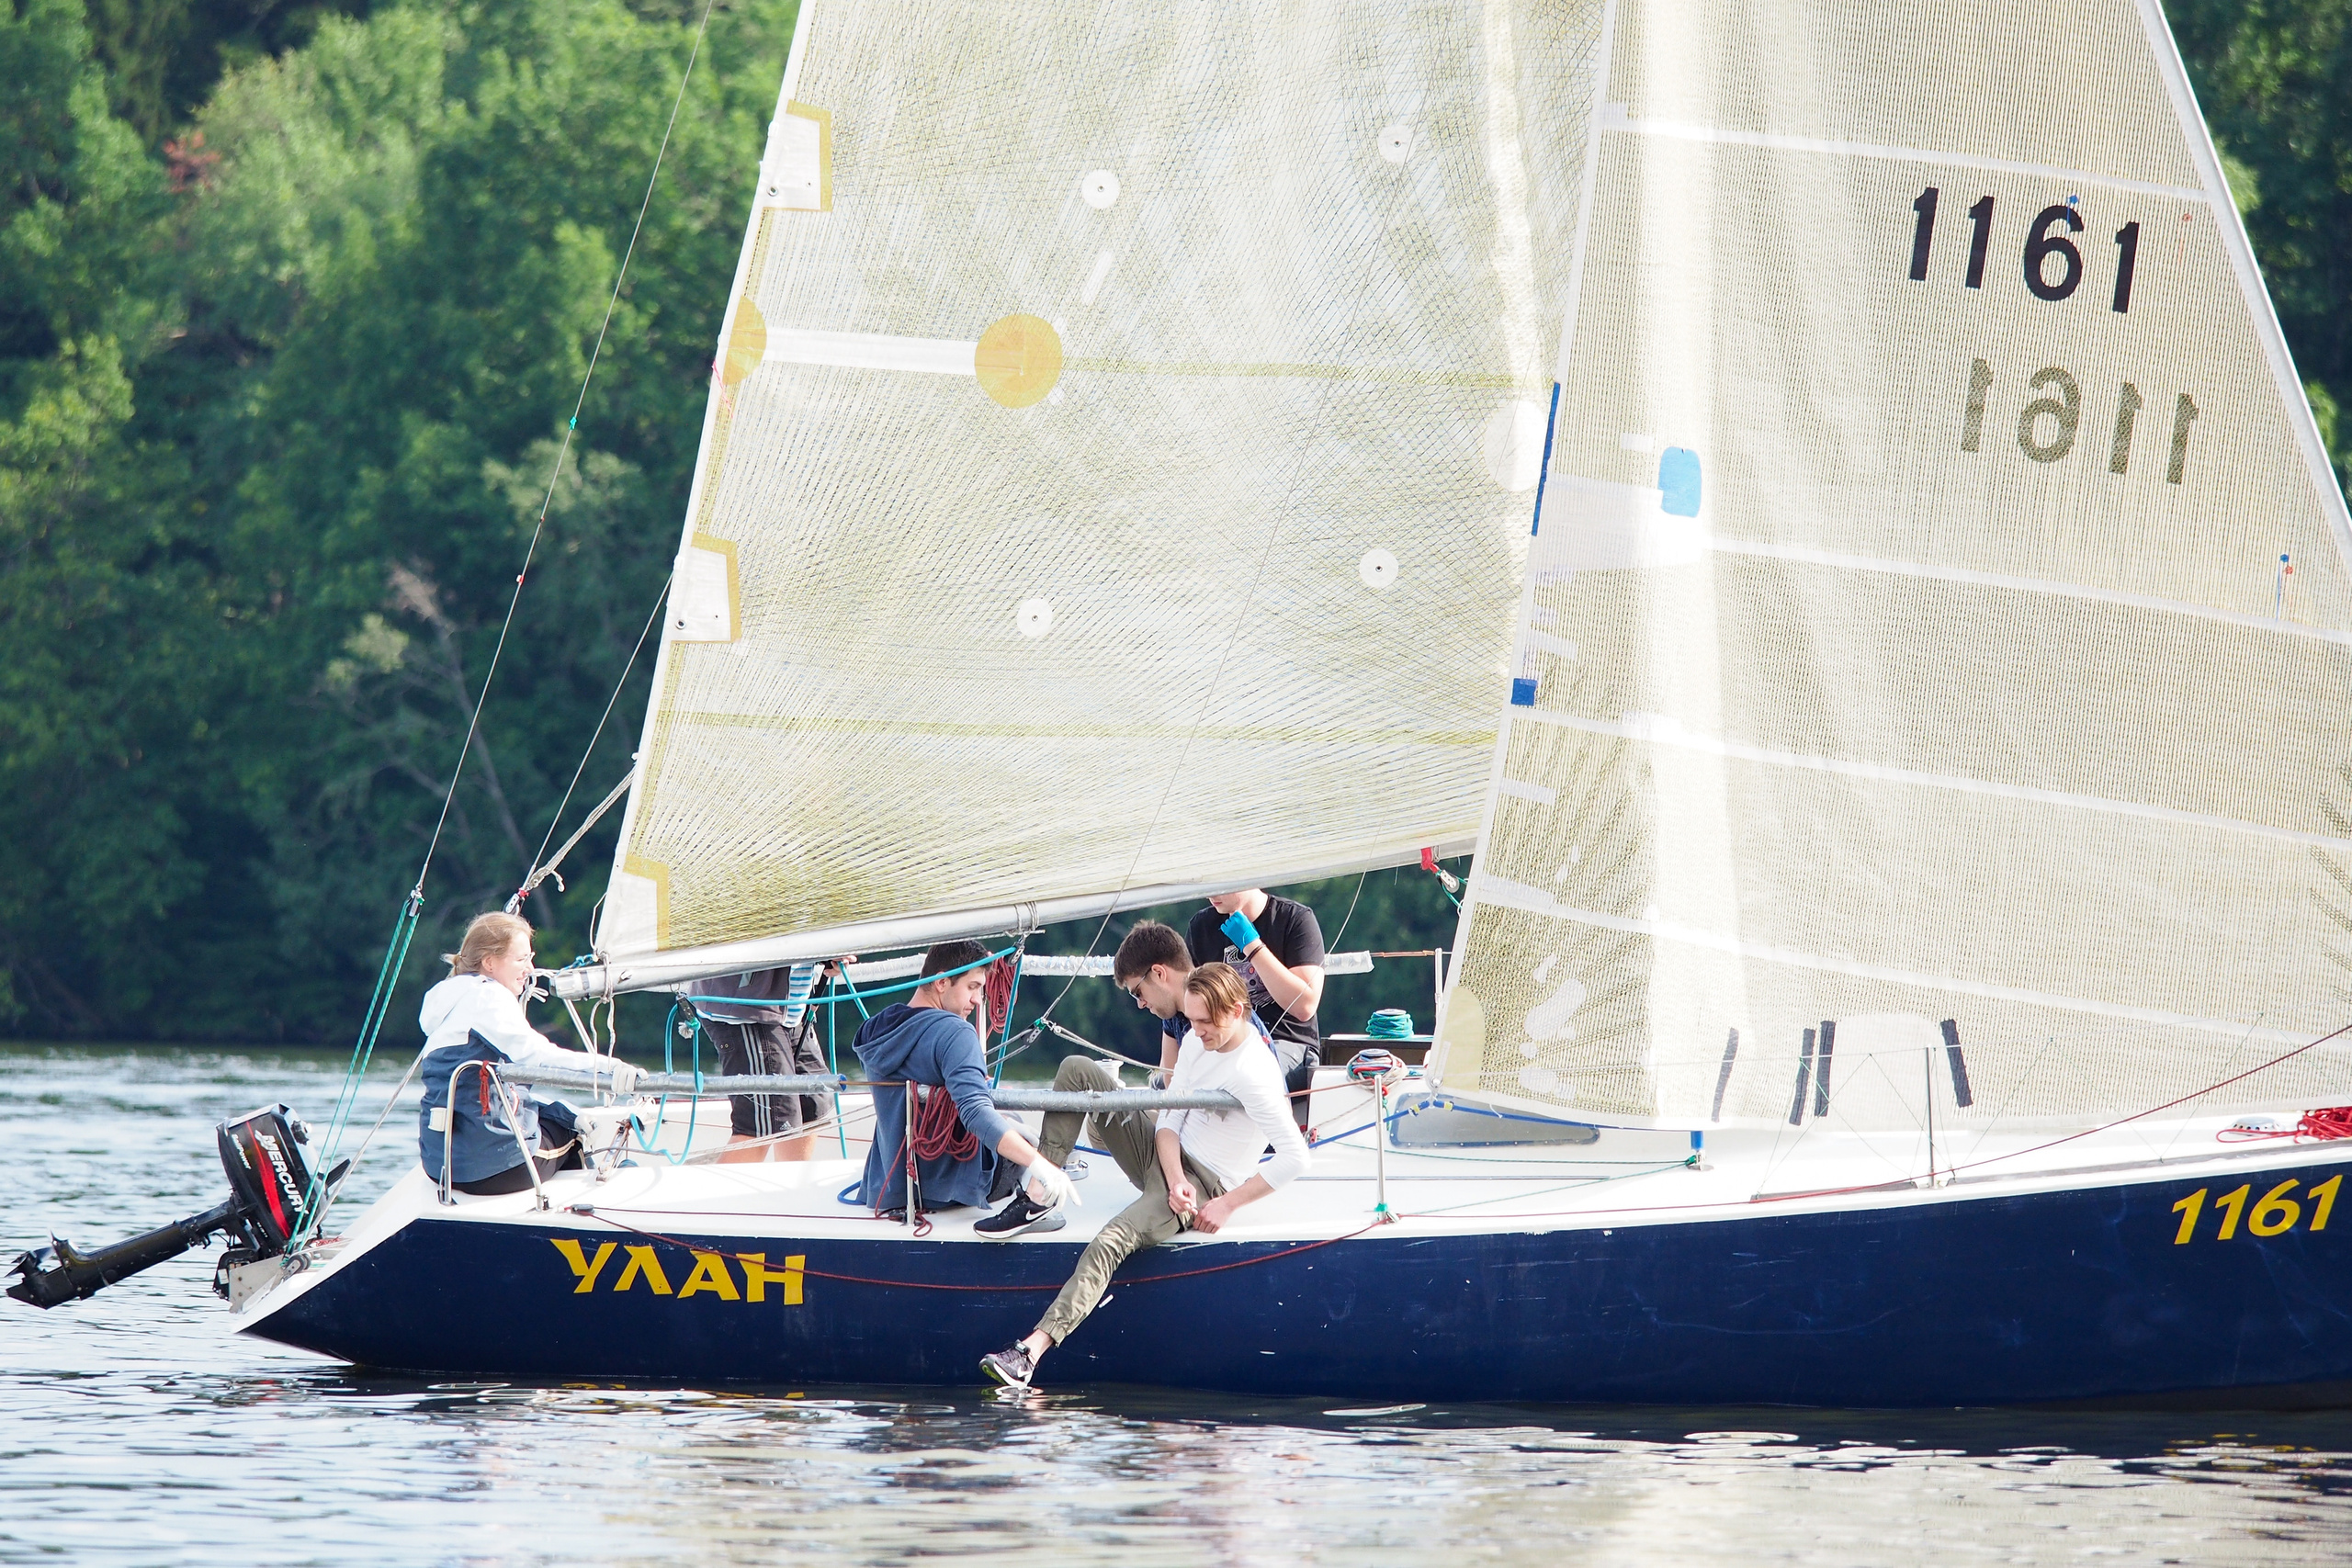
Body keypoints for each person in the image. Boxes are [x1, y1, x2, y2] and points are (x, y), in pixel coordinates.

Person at [978, 962, 1311, 1388]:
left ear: (1238, 1010)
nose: (1197, 1031)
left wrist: (1225, 1204)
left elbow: (1295, 1158)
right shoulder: (1195, 1041)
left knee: (1109, 1241)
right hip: (1167, 1161)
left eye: (1206, 1022)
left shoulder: (1256, 1074)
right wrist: (1173, 1177)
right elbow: (1170, 1119)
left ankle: (1029, 1353)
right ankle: (1041, 1193)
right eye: (1191, 1020)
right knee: (1077, 1069)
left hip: (1206, 1185)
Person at [416, 911, 640, 1195]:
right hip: (496, 1168)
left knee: (556, 1117)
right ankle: (572, 1216)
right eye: (522, 960)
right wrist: (611, 1068)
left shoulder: (447, 999)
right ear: (489, 962)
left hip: (441, 1167)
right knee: (573, 1135)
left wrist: (559, 1110)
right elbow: (538, 1057)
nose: (531, 969)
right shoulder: (489, 997)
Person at [851, 940, 1076, 1222]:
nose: (978, 999)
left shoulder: (875, 1030)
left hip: (889, 1187)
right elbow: (976, 1113)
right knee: (1023, 1129)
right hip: (951, 1190)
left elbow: (928, 1061)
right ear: (942, 982)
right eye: (972, 987)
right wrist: (1039, 1164)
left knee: (1010, 1124)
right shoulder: (955, 1034)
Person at [1189, 889, 1326, 1127]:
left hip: (1289, 1043)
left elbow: (1305, 1005)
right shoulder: (1202, 926)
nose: (1211, 892)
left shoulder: (1295, 919)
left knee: (1246, 1077)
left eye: (1222, 884)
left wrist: (1252, 946)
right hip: (1225, 1046)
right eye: (1207, 883)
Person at [691, 962, 840, 1163]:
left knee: (813, 1102)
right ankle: (718, 1193)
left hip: (792, 1010)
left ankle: (790, 1187)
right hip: (747, 1010)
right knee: (765, 1121)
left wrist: (828, 953)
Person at [1107, 919, 1272, 1087]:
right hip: (1194, 1108)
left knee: (1082, 1072)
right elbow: (1172, 1089)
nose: (1140, 1004)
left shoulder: (1219, 1006)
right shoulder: (1171, 1013)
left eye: (1138, 993)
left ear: (1159, 973)